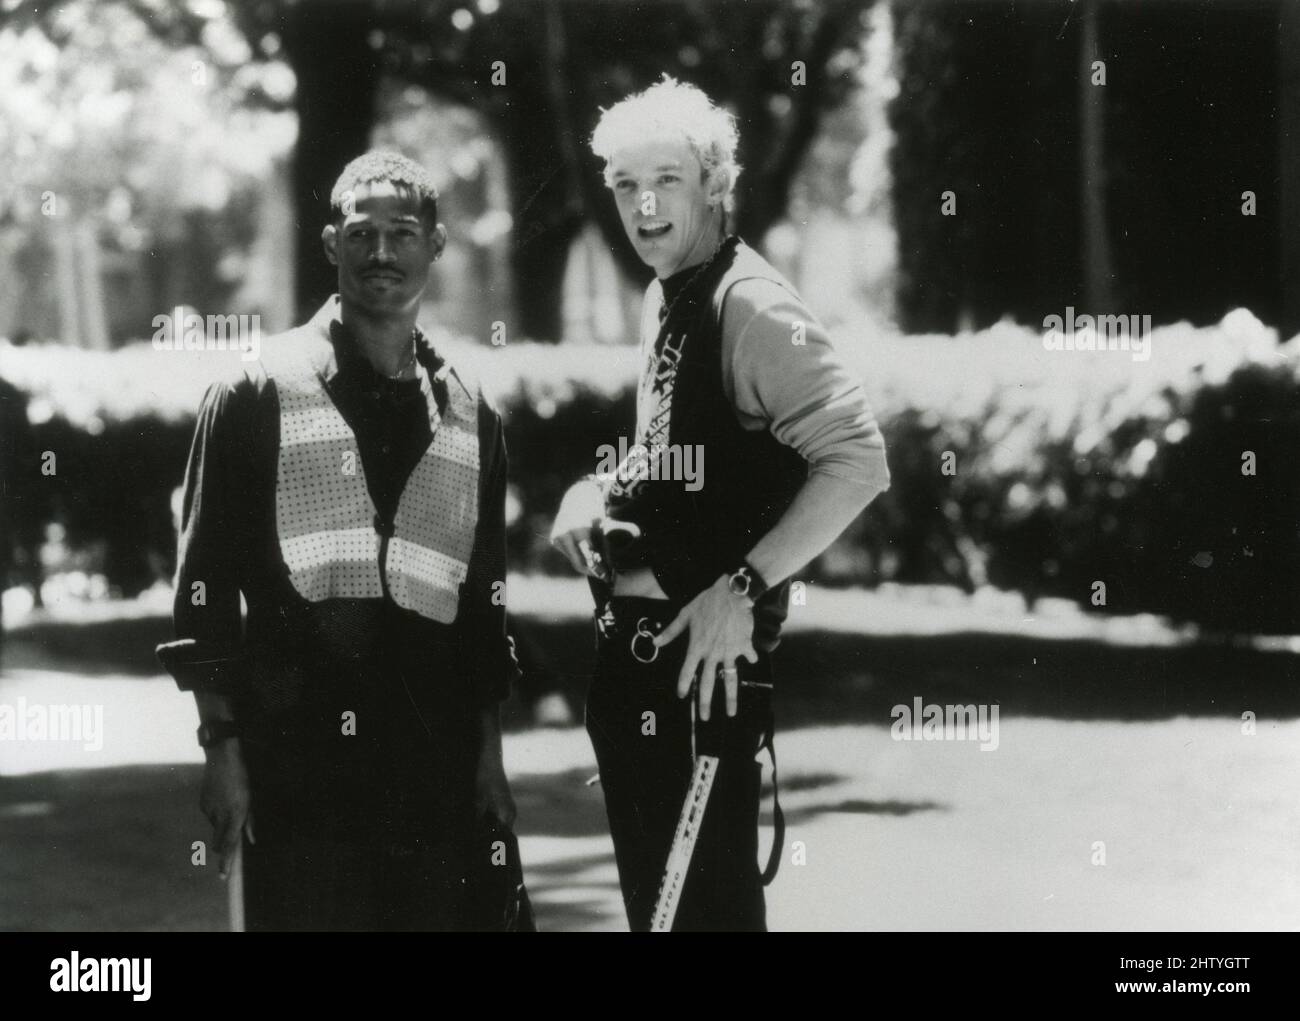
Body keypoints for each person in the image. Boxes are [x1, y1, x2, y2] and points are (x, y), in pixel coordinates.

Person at [550, 78, 892, 931]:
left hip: (699, 688)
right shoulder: (669, 295)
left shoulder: (753, 301)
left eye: (665, 178)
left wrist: (744, 585)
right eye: (624, 185)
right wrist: (593, 490)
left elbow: (858, 459)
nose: (643, 204)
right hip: (634, 676)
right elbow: (674, 455)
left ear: (712, 181)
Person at [157, 150, 519, 931]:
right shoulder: (255, 389)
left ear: (437, 245)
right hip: (298, 766)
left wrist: (488, 757)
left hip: (433, 765)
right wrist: (220, 748)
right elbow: (203, 588)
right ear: (331, 245)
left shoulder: (470, 410)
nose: (382, 253)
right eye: (362, 233)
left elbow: (484, 605)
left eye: (402, 233)